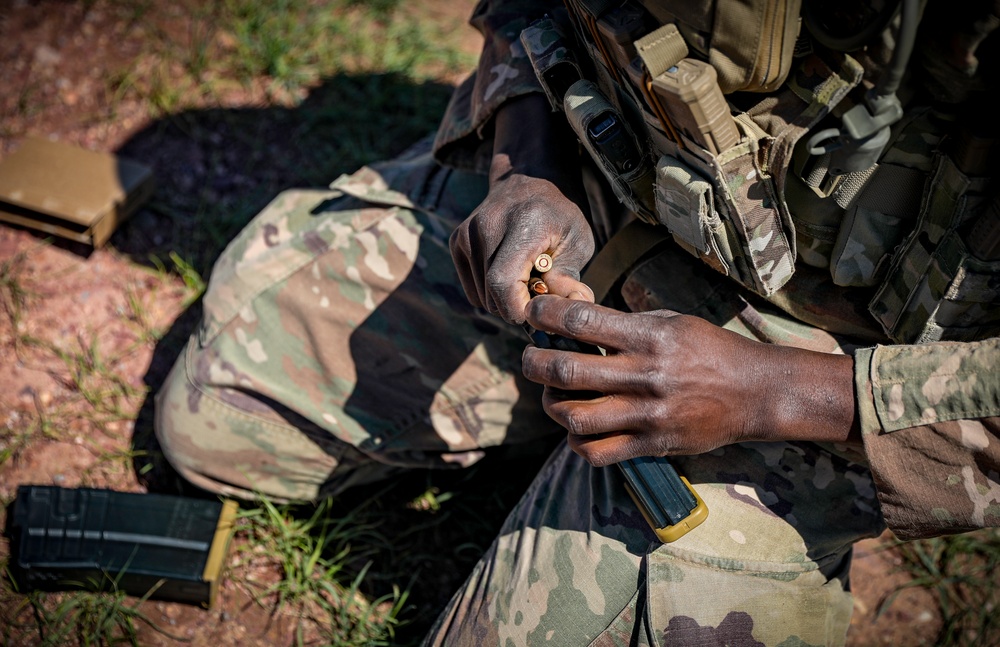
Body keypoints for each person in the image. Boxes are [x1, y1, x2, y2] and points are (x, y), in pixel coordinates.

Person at [154, 0, 1000, 643]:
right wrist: (526, 166)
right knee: (217, 416)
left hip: (823, 371)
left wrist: (770, 392)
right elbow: (538, 10)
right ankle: (558, 418)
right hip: (598, 211)